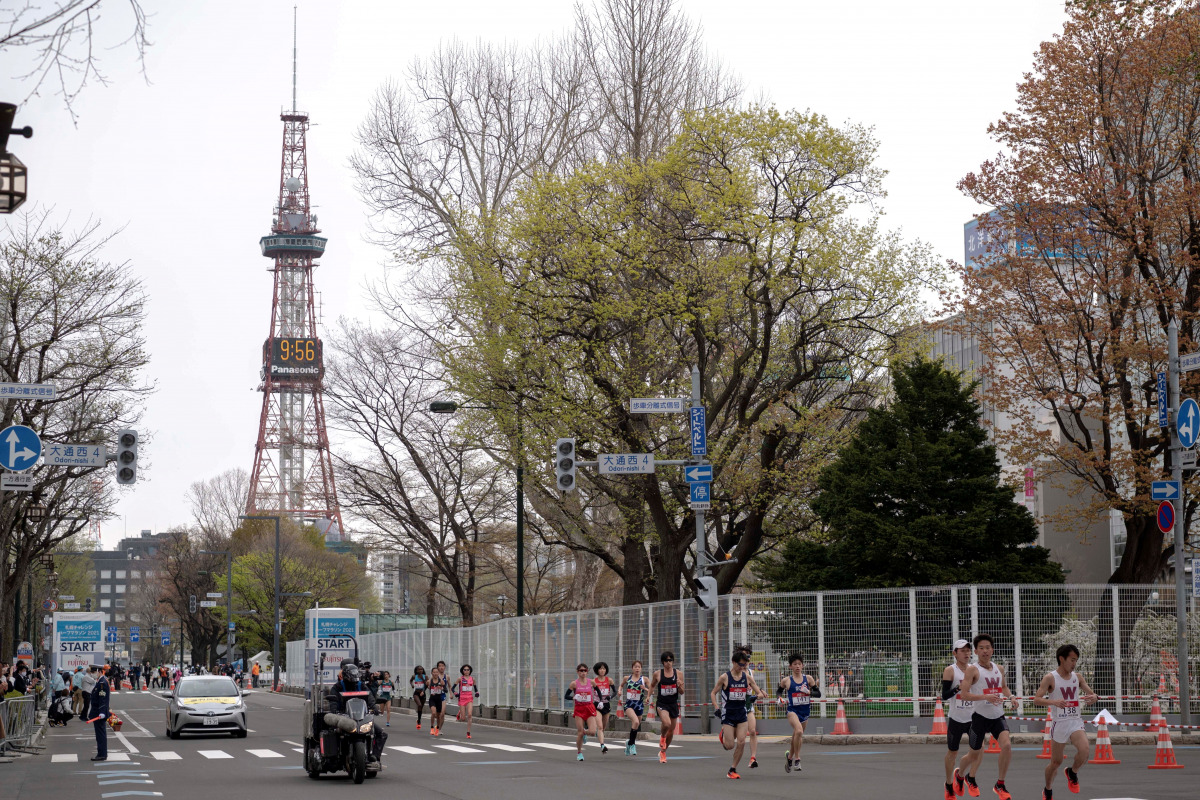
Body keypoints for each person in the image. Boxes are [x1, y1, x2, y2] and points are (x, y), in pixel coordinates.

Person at [1034, 644, 1098, 800]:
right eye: (1072, 660)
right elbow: (1037, 699)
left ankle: (1072, 772)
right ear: (1062, 659)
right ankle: (1048, 789)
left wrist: (1093, 698)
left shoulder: (1078, 677)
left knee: (1084, 751)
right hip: (1059, 723)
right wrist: (1054, 702)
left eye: (1076, 660)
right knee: (1056, 762)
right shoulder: (1050, 678)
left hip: (1075, 721)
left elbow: (1092, 694)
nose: (1074, 663)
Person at [958, 634, 1014, 800]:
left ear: (992, 650)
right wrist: (985, 697)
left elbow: (1003, 687)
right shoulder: (973, 670)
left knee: (1007, 746)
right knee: (974, 754)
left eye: (987, 647)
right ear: (975, 651)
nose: (985, 651)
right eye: (981, 648)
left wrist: (1011, 697)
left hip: (997, 715)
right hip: (979, 717)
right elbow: (964, 694)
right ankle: (962, 775)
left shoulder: (999, 669)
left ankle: (1000, 784)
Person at [711, 650, 761, 780]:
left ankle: (732, 769)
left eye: (744, 665)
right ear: (733, 662)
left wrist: (756, 697)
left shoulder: (747, 678)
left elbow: (758, 691)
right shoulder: (725, 677)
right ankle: (723, 735)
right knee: (730, 746)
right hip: (728, 714)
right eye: (740, 664)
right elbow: (713, 693)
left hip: (741, 714)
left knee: (742, 741)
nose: (742, 667)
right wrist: (716, 707)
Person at [942, 639, 976, 799]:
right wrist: (958, 688)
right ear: (955, 653)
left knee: (978, 750)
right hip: (956, 718)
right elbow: (944, 695)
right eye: (962, 650)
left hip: (973, 718)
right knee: (952, 753)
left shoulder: (975, 670)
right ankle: (949, 785)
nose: (966, 653)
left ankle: (961, 775)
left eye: (968, 650)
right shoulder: (951, 670)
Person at [776, 652, 820, 773]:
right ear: (790, 666)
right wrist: (779, 698)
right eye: (795, 664)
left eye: (799, 664)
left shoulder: (808, 679)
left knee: (797, 735)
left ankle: (789, 758)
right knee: (799, 731)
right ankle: (797, 759)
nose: (797, 666)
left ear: (802, 665)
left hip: (805, 712)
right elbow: (778, 691)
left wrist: (809, 693)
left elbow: (818, 694)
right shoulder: (786, 680)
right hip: (792, 711)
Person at [648, 650, 683, 764]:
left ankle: (663, 752)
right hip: (662, 703)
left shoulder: (678, 674)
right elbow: (652, 685)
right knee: (666, 723)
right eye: (666, 660)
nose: (669, 662)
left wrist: (679, 686)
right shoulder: (658, 674)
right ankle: (662, 737)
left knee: (671, 731)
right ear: (663, 662)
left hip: (673, 703)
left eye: (671, 660)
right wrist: (648, 696)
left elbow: (682, 692)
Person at [735, 644, 765, 768]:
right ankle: (725, 732)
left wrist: (760, 692)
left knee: (752, 731)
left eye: (747, 655)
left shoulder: (751, 672)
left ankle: (753, 758)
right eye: (743, 655)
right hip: (735, 705)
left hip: (748, 704)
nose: (745, 658)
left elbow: (754, 686)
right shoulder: (735, 672)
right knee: (734, 739)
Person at [565, 663, 602, 761]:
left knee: (593, 731)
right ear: (577, 672)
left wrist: (600, 701)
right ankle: (579, 753)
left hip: (589, 708)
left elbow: (598, 691)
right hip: (579, 709)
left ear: (587, 672)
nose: (583, 672)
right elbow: (566, 696)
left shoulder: (591, 682)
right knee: (580, 732)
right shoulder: (574, 683)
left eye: (585, 670)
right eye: (581, 671)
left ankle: (585, 733)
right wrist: (574, 697)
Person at [621, 661, 648, 756]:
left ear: (641, 668)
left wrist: (645, 689)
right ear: (632, 668)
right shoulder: (627, 678)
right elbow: (621, 685)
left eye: (639, 667)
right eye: (635, 667)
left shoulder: (644, 679)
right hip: (629, 705)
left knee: (636, 726)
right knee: (635, 722)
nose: (637, 668)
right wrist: (620, 691)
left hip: (639, 705)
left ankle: (629, 743)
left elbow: (651, 691)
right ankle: (632, 744)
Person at [89, 665, 111, 761]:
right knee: (100, 734)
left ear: (99, 671)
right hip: (97, 711)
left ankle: (102, 754)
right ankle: (101, 753)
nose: (93, 674)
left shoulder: (102, 683)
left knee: (100, 734)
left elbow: (102, 698)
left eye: (94, 672)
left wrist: (102, 712)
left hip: (99, 712)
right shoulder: (101, 681)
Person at [451, 664, 477, 739]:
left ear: (470, 671)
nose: (466, 671)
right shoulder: (460, 679)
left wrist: (477, 693)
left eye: (468, 670)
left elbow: (475, 688)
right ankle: (460, 712)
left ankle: (468, 732)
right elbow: (453, 688)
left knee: (469, 715)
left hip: (469, 698)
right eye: (464, 670)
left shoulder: (472, 679)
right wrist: (455, 693)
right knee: (463, 719)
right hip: (462, 698)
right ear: (462, 671)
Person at [592, 662, 613, 747]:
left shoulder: (609, 680)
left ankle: (600, 734)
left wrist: (610, 696)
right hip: (597, 705)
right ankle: (602, 745)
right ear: (597, 670)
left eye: (604, 668)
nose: (602, 670)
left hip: (606, 705)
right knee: (600, 726)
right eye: (600, 669)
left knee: (603, 727)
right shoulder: (594, 681)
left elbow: (615, 691)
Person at [428, 662, 447, 736]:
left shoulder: (441, 681)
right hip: (432, 699)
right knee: (433, 713)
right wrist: (423, 692)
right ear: (432, 673)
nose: (435, 673)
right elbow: (425, 688)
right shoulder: (429, 681)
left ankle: (438, 728)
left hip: (439, 699)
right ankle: (432, 728)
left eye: (436, 672)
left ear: (438, 673)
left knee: (439, 715)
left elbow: (446, 690)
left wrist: (441, 688)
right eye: (434, 672)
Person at [410, 666, 427, 730]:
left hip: (423, 693)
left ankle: (419, 719)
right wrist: (412, 685)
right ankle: (419, 721)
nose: (420, 670)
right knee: (419, 705)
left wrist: (423, 691)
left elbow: (427, 685)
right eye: (419, 669)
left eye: (422, 669)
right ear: (416, 670)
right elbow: (410, 680)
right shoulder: (414, 676)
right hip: (416, 693)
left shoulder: (425, 676)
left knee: (421, 708)